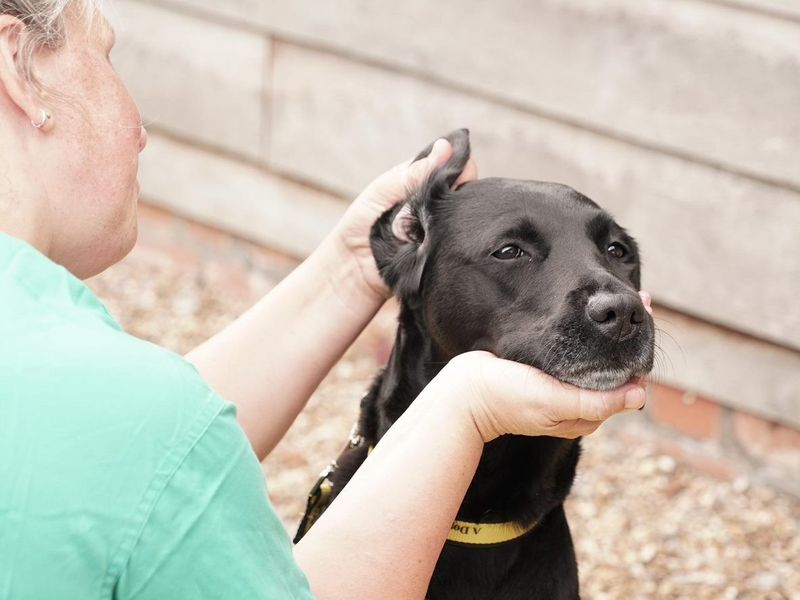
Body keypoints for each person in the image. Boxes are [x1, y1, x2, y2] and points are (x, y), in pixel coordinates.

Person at [0, 1, 648, 598]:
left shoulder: (51, 374)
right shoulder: (120, 398)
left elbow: (138, 455)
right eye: (107, 54)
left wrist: (352, 270)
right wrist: (465, 408)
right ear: (17, 69)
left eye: (617, 251)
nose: (141, 125)